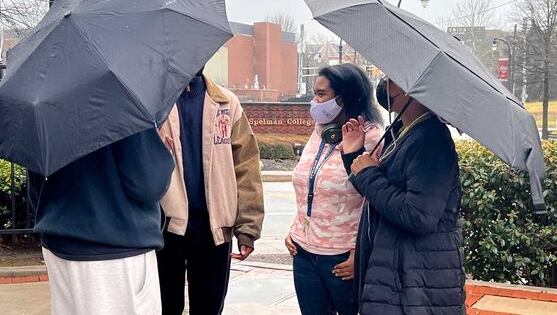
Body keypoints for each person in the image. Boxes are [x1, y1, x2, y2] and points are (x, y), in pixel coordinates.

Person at [342, 76, 466, 315]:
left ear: (413, 90)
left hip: (414, 284)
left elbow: (419, 215)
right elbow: (378, 197)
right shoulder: (402, 131)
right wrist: (354, 155)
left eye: (391, 79)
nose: (384, 84)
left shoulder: (431, 140)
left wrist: (368, 174)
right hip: (394, 274)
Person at [30, 128, 175, 315]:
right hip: (117, 249)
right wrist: (164, 155)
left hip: (59, 244)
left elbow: (36, 186)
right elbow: (149, 184)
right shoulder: (122, 103)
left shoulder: (42, 106)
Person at [157, 70, 264, 315]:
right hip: (165, 226)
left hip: (215, 228)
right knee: (164, 306)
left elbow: (246, 165)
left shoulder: (227, 103)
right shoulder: (155, 103)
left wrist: (248, 227)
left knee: (209, 306)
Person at [284, 63, 384, 315]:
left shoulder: (372, 139)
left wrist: (361, 252)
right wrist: (297, 228)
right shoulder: (319, 133)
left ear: (345, 97)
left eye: (321, 94)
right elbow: (310, 185)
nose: (314, 102)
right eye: (314, 93)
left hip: (342, 259)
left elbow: (376, 200)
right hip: (304, 254)